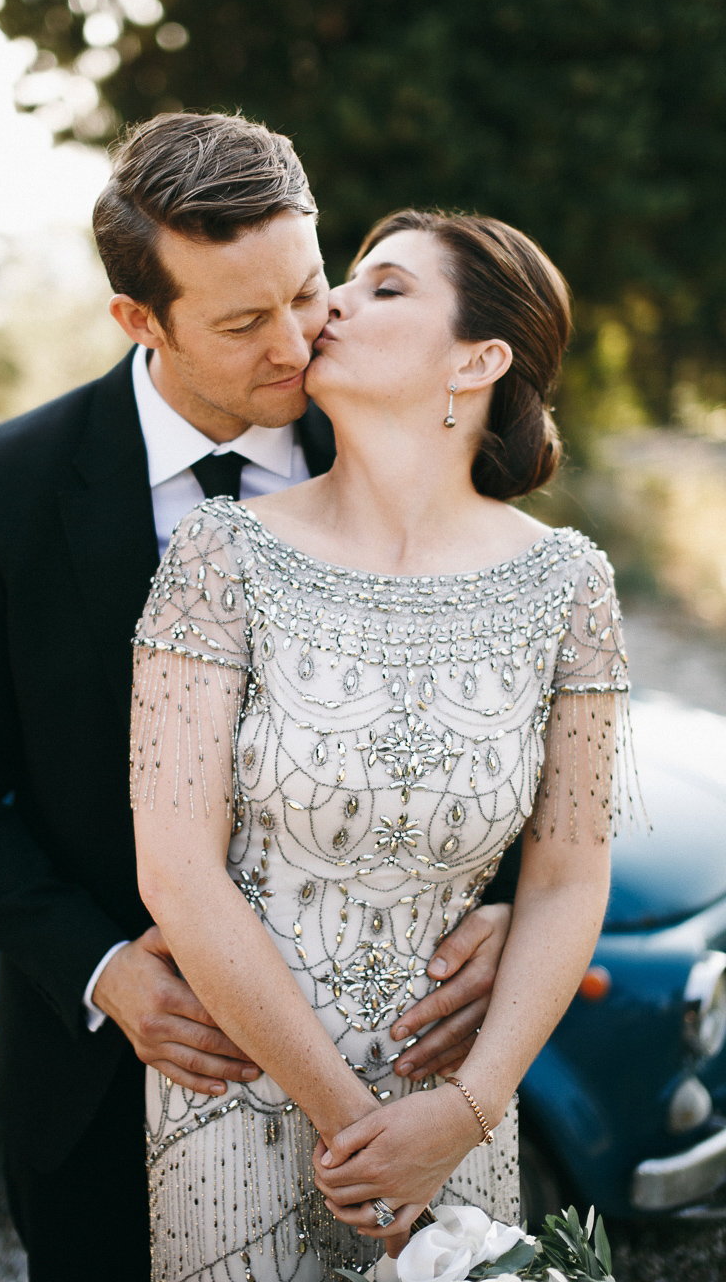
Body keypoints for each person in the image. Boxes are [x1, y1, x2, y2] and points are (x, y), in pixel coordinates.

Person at [0, 115, 518, 1281]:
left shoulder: (404, 437)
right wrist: (102, 971)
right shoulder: (4, 491)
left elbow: (503, 707)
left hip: (393, 1068)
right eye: (241, 322)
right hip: (115, 1088)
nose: (295, 344)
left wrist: (505, 903)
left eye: (307, 290)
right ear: (140, 320)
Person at [131, 207, 637, 1280]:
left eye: (384, 287)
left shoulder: (569, 586)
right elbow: (174, 868)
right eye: (344, 282)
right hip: (241, 1091)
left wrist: (463, 1110)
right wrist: (360, 1131)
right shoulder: (220, 555)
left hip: (455, 1096)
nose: (330, 307)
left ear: (480, 358)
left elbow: (567, 880)